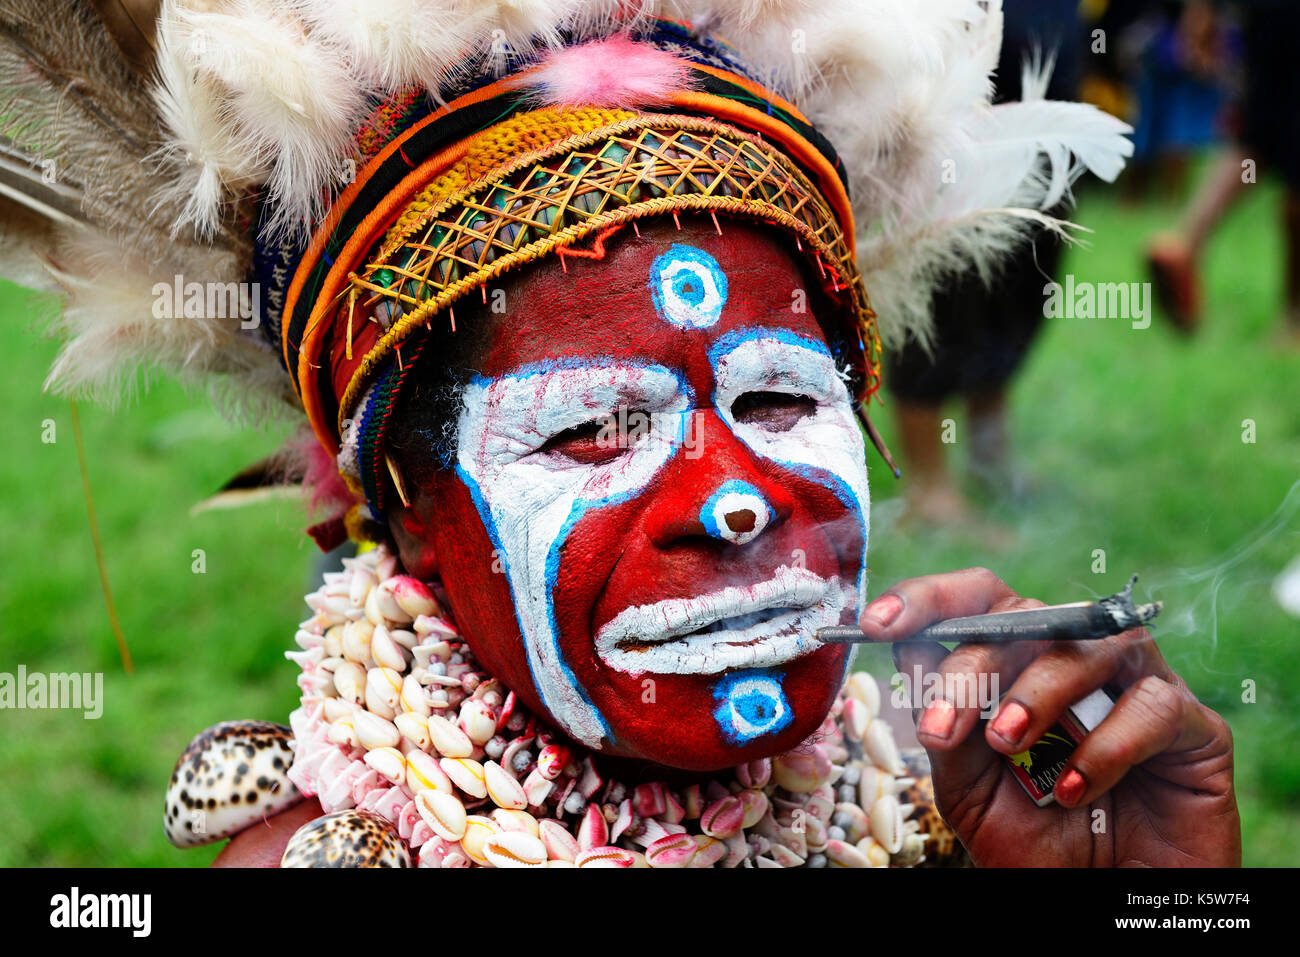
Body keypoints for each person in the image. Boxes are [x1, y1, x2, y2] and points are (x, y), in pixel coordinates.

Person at [0, 0, 1237, 868]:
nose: (737, 499)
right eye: (591, 426)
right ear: (412, 515)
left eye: (777, 402)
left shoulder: (972, 821)